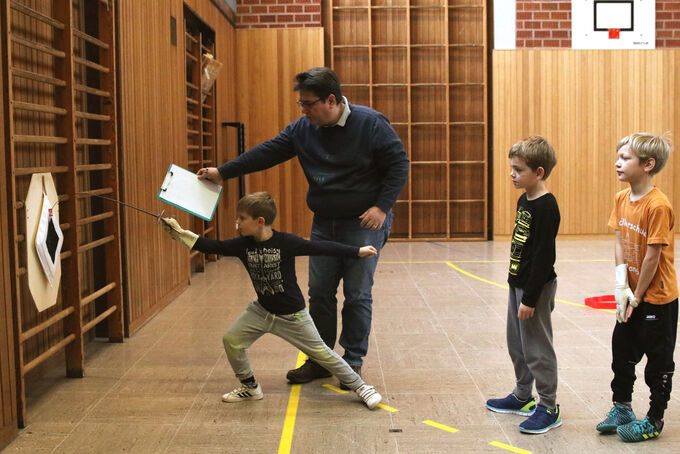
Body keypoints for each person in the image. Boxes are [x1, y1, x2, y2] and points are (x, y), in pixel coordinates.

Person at [197, 67, 408, 384]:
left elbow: (399, 165)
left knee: (357, 294)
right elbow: (268, 151)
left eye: (308, 104)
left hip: (363, 222)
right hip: (324, 221)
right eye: (301, 104)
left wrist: (381, 207)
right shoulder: (303, 129)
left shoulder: (371, 123)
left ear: (331, 101)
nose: (303, 110)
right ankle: (321, 359)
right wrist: (223, 172)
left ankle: (352, 360)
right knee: (320, 293)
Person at [161, 192, 382, 409]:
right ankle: (250, 387)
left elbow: (320, 247)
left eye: (242, 218)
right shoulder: (243, 244)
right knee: (232, 340)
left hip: (293, 316)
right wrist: (180, 234)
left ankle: (361, 387)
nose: (237, 222)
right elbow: (213, 246)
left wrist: (357, 251)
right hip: (261, 311)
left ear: (259, 221)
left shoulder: (286, 242)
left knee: (322, 354)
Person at [596, 133, 678, 442]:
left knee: (658, 362)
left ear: (648, 164)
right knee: (622, 351)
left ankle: (654, 420)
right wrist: (622, 286)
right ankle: (622, 408)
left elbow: (653, 256)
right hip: (631, 294)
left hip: (656, 298)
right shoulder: (621, 198)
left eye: (625, 158)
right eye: (618, 156)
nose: (617, 162)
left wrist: (638, 296)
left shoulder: (658, 206)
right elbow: (619, 239)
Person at [485, 136, 562, 434]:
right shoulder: (524, 199)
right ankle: (522, 395)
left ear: (539, 172)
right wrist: (514, 285)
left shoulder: (547, 206)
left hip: (535, 289)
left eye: (518, 170)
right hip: (517, 283)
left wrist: (529, 298)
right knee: (517, 344)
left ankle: (549, 406)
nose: (512, 174)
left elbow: (543, 257)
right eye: (512, 168)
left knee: (537, 348)